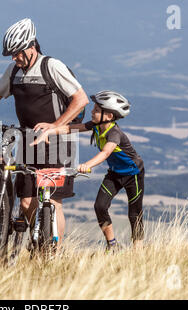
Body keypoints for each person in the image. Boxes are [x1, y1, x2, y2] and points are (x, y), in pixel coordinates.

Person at [0, 18, 89, 242]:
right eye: (11, 54)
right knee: (27, 201)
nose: (14, 58)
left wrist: (56, 126)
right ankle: (41, 240)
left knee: (52, 201)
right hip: (28, 140)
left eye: (17, 53)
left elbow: (81, 99)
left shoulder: (52, 66)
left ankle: (52, 252)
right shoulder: (13, 71)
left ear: (31, 46)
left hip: (57, 143)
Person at [32, 91, 145, 251]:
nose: (92, 112)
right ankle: (112, 245)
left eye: (97, 110)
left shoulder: (114, 133)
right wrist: (50, 131)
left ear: (109, 116)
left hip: (134, 173)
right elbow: (70, 129)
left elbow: (105, 153)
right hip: (115, 173)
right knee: (100, 206)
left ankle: (138, 250)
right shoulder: (96, 126)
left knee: (134, 212)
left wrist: (87, 165)